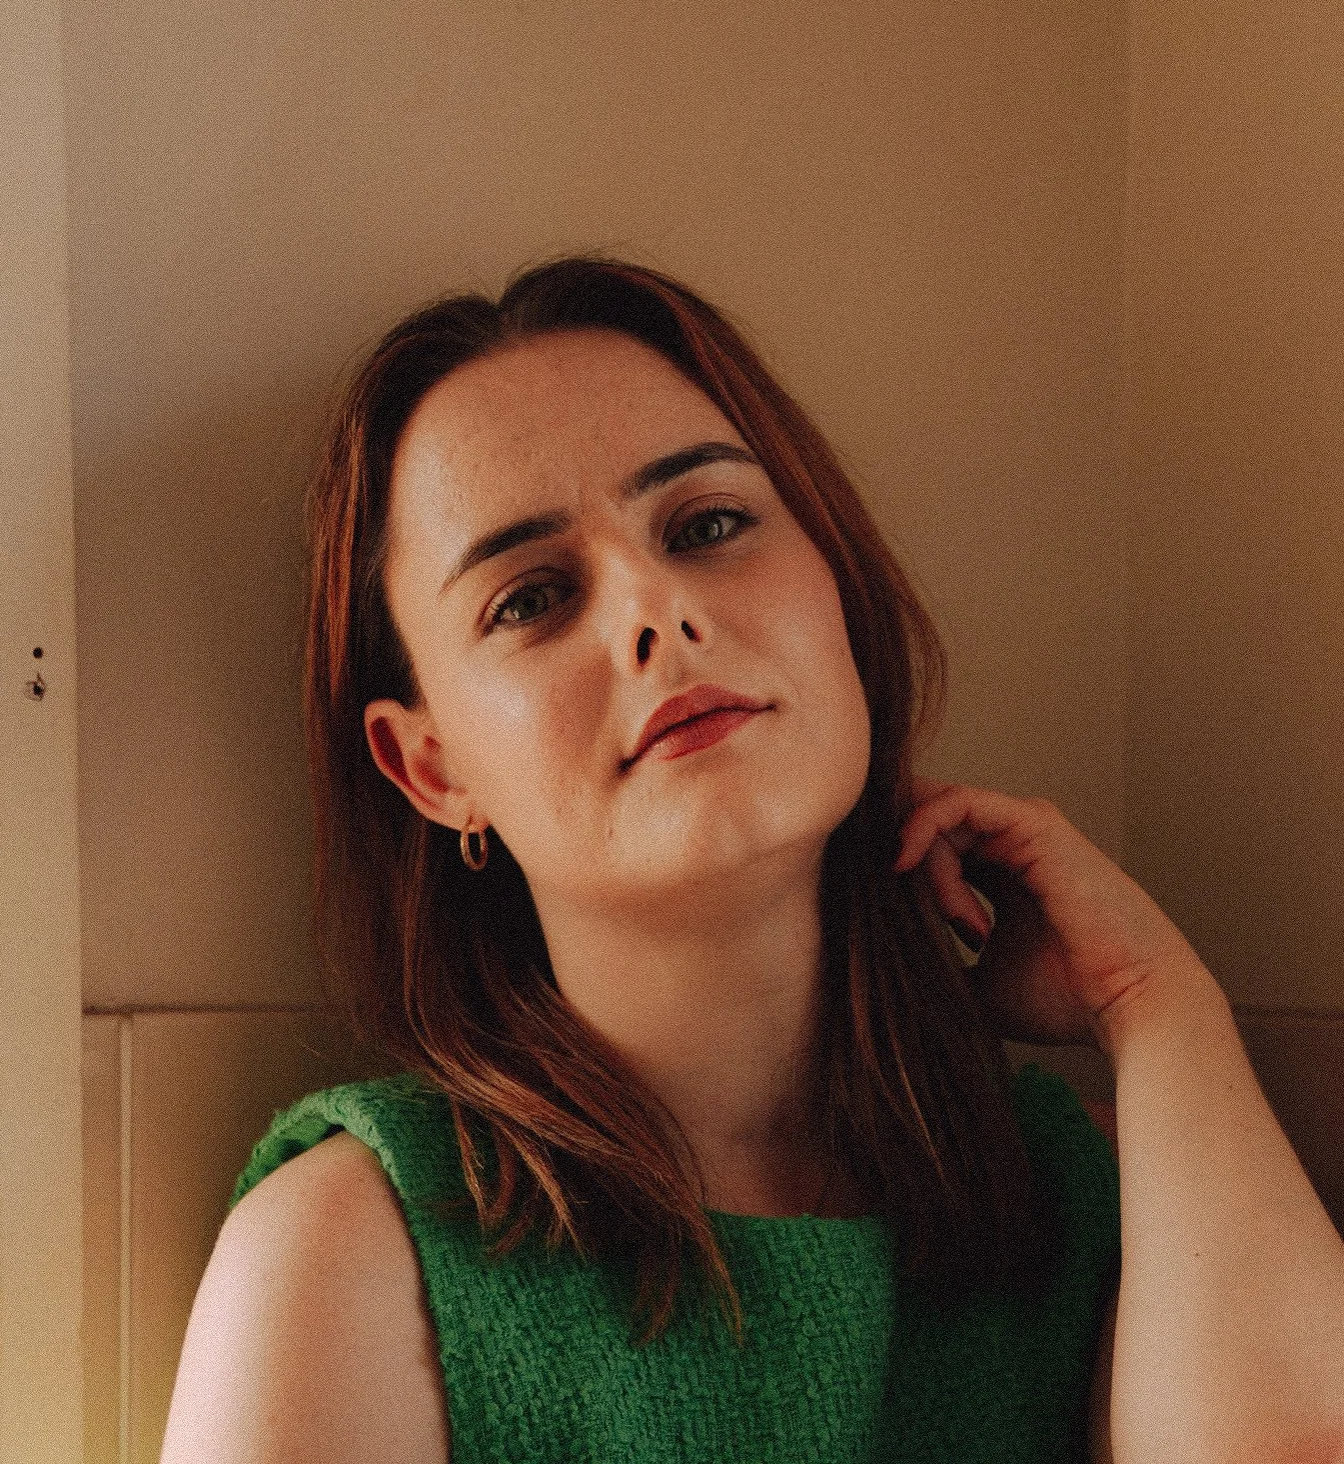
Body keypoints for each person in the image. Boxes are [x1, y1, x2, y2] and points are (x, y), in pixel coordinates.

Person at [162, 259, 1344, 1463]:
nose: (655, 612)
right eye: (531, 598)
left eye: (710, 526)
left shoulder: (1088, 1195)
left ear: (840, 591)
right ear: (431, 768)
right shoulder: (350, 1255)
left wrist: (1154, 1002)